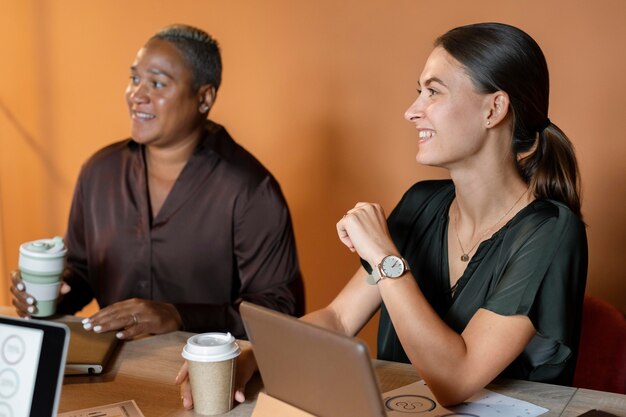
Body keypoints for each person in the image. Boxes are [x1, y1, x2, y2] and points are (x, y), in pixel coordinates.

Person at [177, 22, 587, 408]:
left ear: (494, 109)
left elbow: (455, 380)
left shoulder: (550, 232)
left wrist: (386, 258)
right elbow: (338, 319)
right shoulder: (420, 203)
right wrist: (251, 357)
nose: (412, 110)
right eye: (418, 92)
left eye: (433, 92)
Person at [9, 24, 304, 340]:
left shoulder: (250, 190)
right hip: (108, 371)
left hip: (206, 376)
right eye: (135, 79)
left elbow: (281, 309)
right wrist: (49, 292)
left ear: (204, 98)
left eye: (157, 83)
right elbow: (83, 272)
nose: (137, 95)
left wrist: (180, 316)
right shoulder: (99, 172)